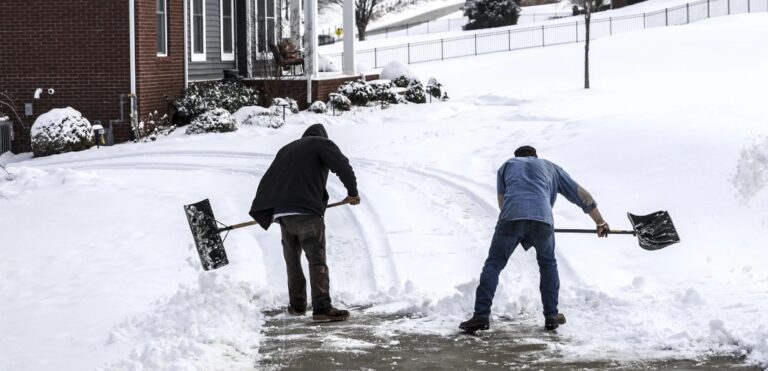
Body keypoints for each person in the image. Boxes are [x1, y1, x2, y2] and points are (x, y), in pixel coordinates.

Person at [460, 145, 609, 332]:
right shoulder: (550, 167)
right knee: (548, 264)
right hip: (543, 220)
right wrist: (600, 222)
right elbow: (582, 195)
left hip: (510, 218)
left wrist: (520, 224)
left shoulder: (507, 165)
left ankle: (481, 315)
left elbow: (502, 202)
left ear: (517, 156)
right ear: (535, 156)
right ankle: (551, 316)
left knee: (494, 264)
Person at [249, 123, 360, 322]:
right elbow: (343, 166)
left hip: (283, 214)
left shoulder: (286, 149)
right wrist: (352, 192)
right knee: (316, 260)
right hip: (307, 213)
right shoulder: (322, 143)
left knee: (292, 262)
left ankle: (297, 306)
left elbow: (268, 179)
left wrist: (269, 210)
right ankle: (322, 308)